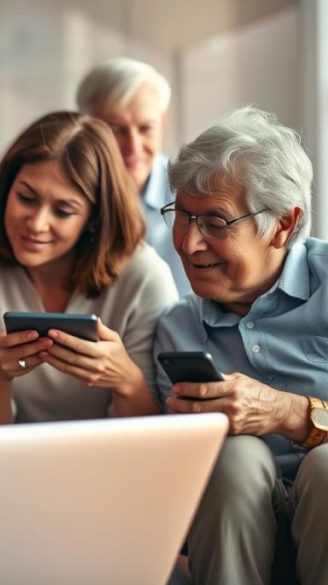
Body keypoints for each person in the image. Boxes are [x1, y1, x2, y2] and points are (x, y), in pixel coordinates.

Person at [152, 106, 328, 585]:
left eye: (215, 221)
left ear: (284, 225)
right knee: (231, 455)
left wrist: (290, 413)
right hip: (233, 540)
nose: (188, 244)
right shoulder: (176, 330)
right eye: (182, 216)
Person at [0, 111, 178, 425]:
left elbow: (158, 440)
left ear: (94, 217)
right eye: (26, 198)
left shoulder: (144, 277)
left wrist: (126, 381)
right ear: (6, 187)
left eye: (63, 211)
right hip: (8, 465)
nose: (36, 224)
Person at [77, 57, 190, 296]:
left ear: (163, 122)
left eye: (146, 128)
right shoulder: (69, 196)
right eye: (116, 129)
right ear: (87, 127)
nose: (133, 146)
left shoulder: (192, 192)